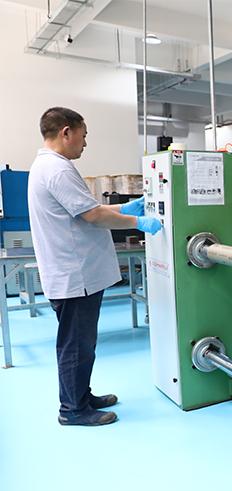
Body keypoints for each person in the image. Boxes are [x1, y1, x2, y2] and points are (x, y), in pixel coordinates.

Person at [28, 107, 162, 427]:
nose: (85, 143)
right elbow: (93, 216)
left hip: (75, 273)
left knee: (82, 344)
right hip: (76, 276)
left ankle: (81, 397)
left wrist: (124, 207)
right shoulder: (57, 169)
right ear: (66, 132)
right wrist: (138, 222)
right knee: (76, 345)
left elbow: (85, 208)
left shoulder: (48, 166)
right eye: (83, 135)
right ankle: (72, 410)